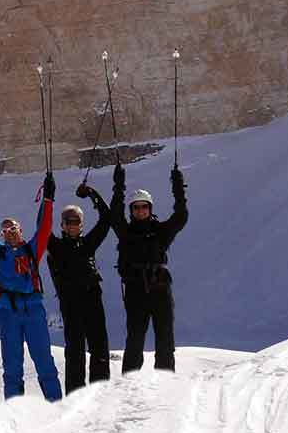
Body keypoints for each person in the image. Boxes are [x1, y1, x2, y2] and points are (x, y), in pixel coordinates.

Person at [0, 175, 62, 401]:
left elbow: (45, 228)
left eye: (12, 228)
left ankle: (56, 405)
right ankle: (14, 411)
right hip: (9, 313)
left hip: (34, 309)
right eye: (5, 231)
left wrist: (48, 199)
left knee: (44, 361)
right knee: (12, 366)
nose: (9, 233)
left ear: (20, 229)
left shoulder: (32, 250)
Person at [109, 161, 188, 372]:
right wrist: (119, 185)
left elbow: (180, 217)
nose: (140, 210)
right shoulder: (126, 232)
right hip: (135, 291)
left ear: (150, 208)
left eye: (144, 206)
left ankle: (165, 383)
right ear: (132, 210)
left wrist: (178, 187)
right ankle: (129, 386)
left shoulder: (160, 231)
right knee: (135, 339)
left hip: (160, 288)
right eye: (136, 207)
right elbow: (114, 215)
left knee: (165, 338)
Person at [46, 183, 112, 392]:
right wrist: (49, 197)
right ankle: (75, 399)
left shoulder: (88, 243)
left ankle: (99, 396)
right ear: (62, 225)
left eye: (76, 222)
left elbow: (106, 219)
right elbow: (42, 227)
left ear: (81, 224)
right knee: (75, 352)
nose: (73, 225)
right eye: (69, 222)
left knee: (100, 349)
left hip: (93, 300)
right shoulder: (55, 246)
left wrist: (92, 193)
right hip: (71, 304)